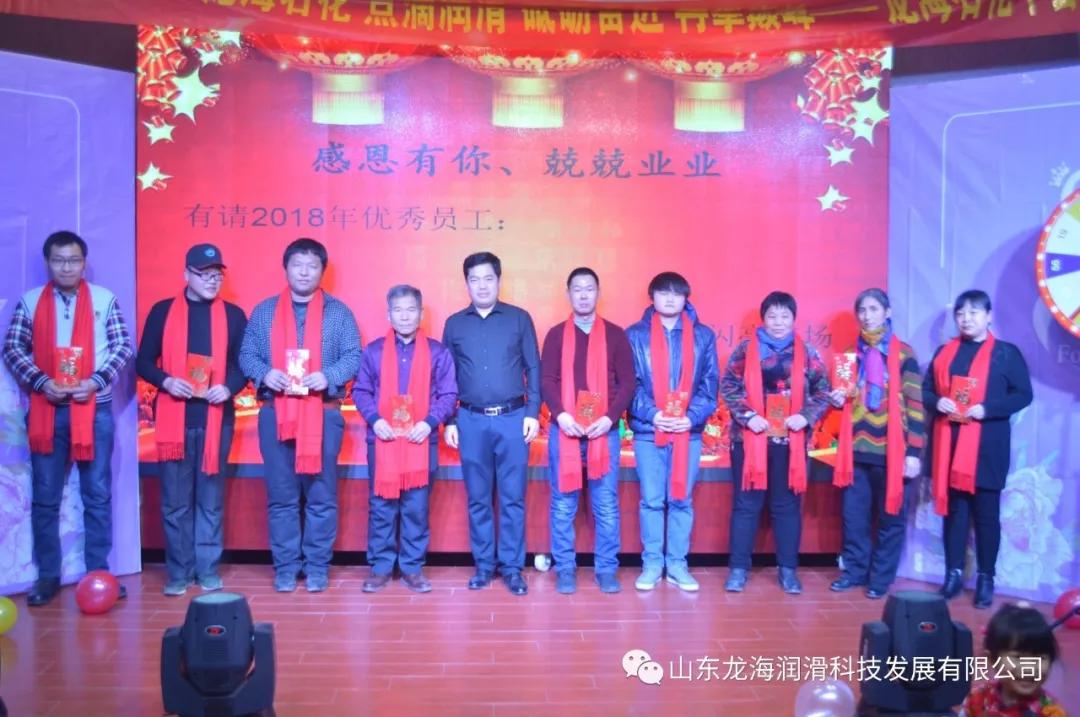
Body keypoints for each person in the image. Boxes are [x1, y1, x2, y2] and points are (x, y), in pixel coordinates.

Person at [2, 230, 133, 607]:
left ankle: (99, 574)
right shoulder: (30, 302)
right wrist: (43, 382)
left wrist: (95, 381)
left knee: (97, 494)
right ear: (48, 263)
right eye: (59, 260)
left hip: (94, 410)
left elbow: (122, 347)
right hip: (48, 410)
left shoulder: (104, 299)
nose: (66, 267)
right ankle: (47, 576)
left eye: (73, 260)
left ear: (83, 263)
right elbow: (12, 348)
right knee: (45, 498)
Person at [239, 238, 361, 593]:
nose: (304, 272)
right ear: (286, 268)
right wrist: (265, 373)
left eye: (312, 266)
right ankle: (286, 567)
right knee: (282, 497)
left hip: (323, 414)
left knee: (321, 497)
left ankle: (317, 567)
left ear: (322, 271)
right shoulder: (264, 311)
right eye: (297, 264)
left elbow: (353, 355)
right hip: (276, 413)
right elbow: (246, 354)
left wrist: (329, 375)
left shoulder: (339, 313)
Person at [136, 244, 248, 596]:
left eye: (217, 275)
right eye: (204, 274)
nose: (212, 281)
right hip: (175, 418)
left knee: (210, 499)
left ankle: (207, 569)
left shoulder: (233, 316)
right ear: (186, 274)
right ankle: (179, 572)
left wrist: (228, 388)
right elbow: (143, 362)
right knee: (176, 501)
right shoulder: (162, 312)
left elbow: (242, 364)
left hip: (216, 418)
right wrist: (167, 381)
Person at [924, 290, 1032, 609]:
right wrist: (937, 402)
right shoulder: (945, 353)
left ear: (989, 316)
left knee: (986, 516)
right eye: (960, 313)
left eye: (973, 312)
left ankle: (986, 578)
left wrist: (988, 409)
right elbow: (926, 391)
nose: (966, 319)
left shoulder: (1005, 353)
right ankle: (953, 574)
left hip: (988, 447)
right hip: (950, 445)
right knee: (955, 515)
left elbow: (1023, 395)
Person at [441, 252, 540, 596]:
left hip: (513, 419)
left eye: (488, 278)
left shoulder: (519, 319)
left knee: (513, 498)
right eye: (474, 279)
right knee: (478, 498)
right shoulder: (454, 324)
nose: (482, 286)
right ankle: (484, 565)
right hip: (470, 421)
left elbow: (534, 367)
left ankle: (512, 568)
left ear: (499, 280)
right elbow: (446, 376)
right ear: (466, 283)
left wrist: (532, 413)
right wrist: (450, 419)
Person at [721, 291, 830, 595]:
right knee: (746, 505)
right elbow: (728, 386)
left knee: (786, 506)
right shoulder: (746, 350)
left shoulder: (807, 352)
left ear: (794, 319)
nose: (778, 322)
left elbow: (823, 391)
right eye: (772, 316)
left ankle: (788, 570)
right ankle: (738, 570)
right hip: (750, 439)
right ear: (763, 319)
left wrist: (805, 417)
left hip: (790, 442)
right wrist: (748, 416)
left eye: (785, 316)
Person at [352, 285, 457, 593]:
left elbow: (449, 394)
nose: (405, 316)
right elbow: (360, 391)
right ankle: (381, 567)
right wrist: (376, 420)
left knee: (416, 507)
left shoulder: (438, 352)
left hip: (421, 440)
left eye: (411, 309)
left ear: (421, 313)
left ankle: (412, 567)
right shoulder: (373, 351)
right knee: (381, 506)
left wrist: (429, 423)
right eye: (398, 310)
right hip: (383, 439)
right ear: (388, 315)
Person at [539, 267, 635, 595]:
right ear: (568, 294)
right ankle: (565, 568)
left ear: (598, 292)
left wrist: (609, 419)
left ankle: (606, 568)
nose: (583, 295)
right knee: (563, 504)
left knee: (605, 505)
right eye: (577, 289)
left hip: (603, 433)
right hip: (565, 431)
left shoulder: (615, 335)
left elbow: (627, 383)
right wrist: (562, 415)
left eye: (589, 288)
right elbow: (547, 381)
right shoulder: (555, 335)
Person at [827, 288, 925, 600]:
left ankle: (880, 578)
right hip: (855, 450)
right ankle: (855, 571)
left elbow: (916, 405)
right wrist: (838, 399)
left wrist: (914, 452)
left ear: (887, 312)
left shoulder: (904, 354)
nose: (867, 316)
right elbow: (843, 399)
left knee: (890, 518)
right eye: (862, 310)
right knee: (853, 518)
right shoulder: (850, 356)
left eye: (873, 309)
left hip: (893, 451)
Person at [625, 272, 718, 593]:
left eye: (676, 293)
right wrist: (654, 415)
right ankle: (652, 564)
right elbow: (628, 385)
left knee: (681, 500)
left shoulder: (703, 336)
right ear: (651, 297)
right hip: (649, 431)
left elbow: (709, 386)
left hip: (686, 432)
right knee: (651, 501)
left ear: (685, 298)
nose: (669, 298)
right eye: (663, 292)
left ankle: (677, 564)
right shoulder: (634, 335)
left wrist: (689, 418)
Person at [959, 604, 1063, 716]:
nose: (1029, 668)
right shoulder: (977, 698)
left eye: (1040, 657)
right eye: (1018, 657)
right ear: (992, 659)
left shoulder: (1051, 712)